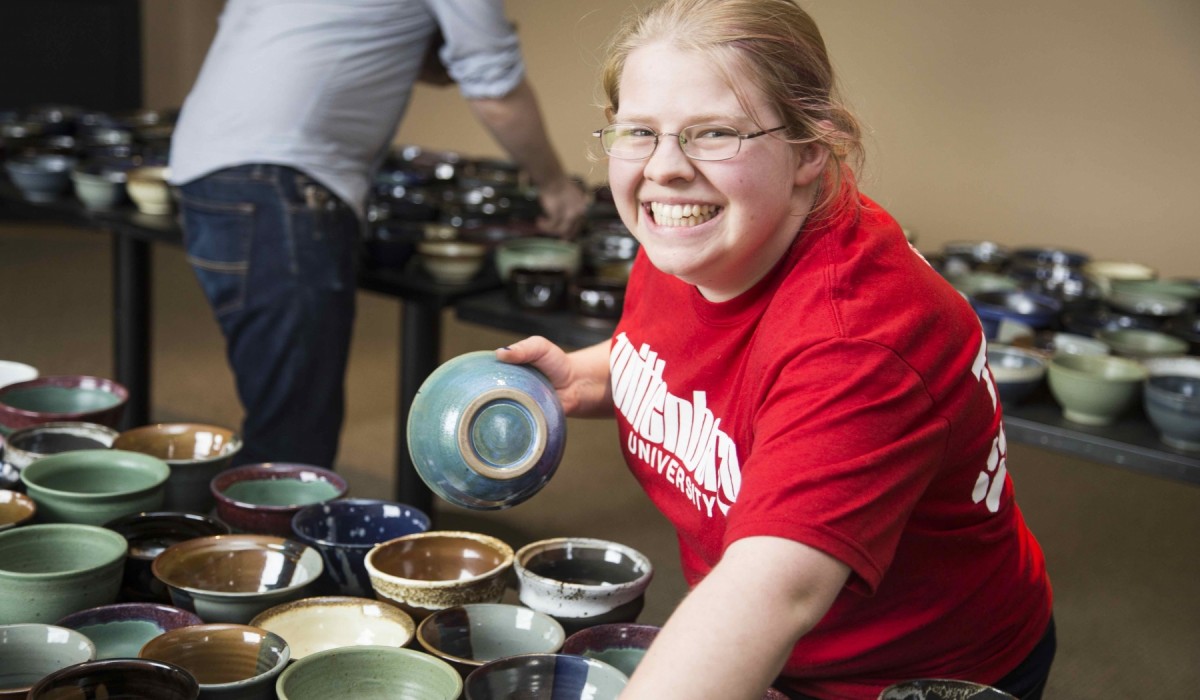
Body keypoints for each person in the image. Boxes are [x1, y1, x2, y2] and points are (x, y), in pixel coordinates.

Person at [496, 0, 1055, 697]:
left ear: (809, 149)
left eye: (714, 134)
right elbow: (697, 358)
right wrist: (592, 375)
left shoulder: (858, 340)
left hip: (903, 673)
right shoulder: (695, 238)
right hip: (784, 647)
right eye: (641, 131)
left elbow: (770, 593)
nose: (664, 169)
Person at [168, 0, 587, 468]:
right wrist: (555, 186)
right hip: (279, 182)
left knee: (284, 405)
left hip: (208, 167)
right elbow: (495, 90)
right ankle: (267, 536)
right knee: (292, 431)